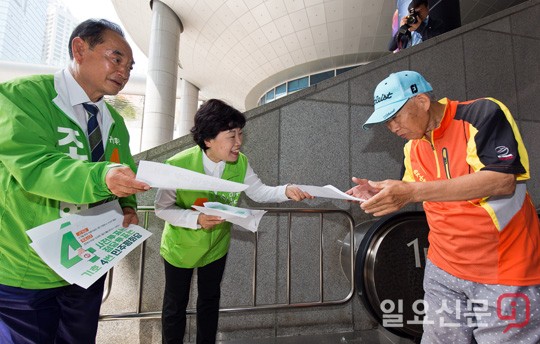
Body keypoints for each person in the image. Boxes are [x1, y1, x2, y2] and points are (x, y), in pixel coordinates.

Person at [347, 70, 540, 343]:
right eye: (386, 122)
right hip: (443, 270)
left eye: (394, 117)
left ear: (423, 101)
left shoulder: (481, 113)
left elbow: (502, 180)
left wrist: (411, 191)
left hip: (503, 269)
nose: (392, 128)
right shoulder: (412, 148)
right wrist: (377, 193)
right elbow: (412, 189)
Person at [0, 19, 150, 343]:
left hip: (86, 265)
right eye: (116, 58)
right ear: (79, 49)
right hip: (26, 269)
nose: (124, 72)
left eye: (130, 65)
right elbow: (36, 166)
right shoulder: (22, 96)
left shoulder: (115, 124)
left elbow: (121, 167)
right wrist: (104, 177)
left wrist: (127, 205)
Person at [155, 99, 313, 344]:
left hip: (216, 247)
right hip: (180, 248)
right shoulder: (177, 165)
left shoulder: (240, 162)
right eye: (231, 136)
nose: (239, 142)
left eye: (240, 134)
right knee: (176, 305)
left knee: (209, 303)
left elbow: (258, 192)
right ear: (208, 139)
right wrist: (195, 219)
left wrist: (287, 190)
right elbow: (162, 208)